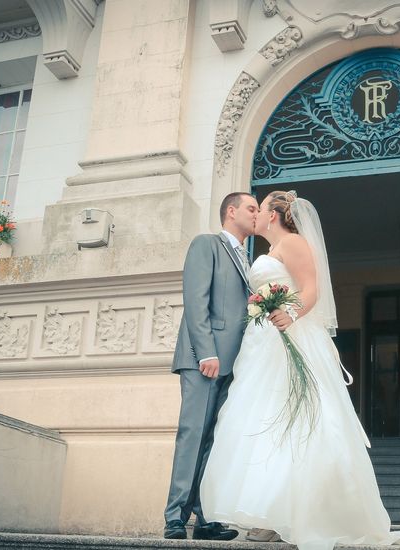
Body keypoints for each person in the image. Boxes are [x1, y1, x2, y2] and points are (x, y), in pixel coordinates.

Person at [199, 191, 400, 550]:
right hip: (262, 344)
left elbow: (311, 291)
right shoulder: (268, 252)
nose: (256, 215)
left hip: (289, 337)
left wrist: (290, 313)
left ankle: (302, 512)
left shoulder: (293, 243)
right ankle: (270, 511)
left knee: (300, 422)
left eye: (260, 208)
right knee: (265, 420)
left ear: (275, 215)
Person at [163, 192, 259, 540]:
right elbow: (195, 299)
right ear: (230, 212)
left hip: (232, 365)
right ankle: (175, 516)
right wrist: (206, 352)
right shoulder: (207, 245)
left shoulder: (247, 260)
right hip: (204, 359)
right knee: (193, 435)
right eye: (251, 208)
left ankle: (205, 518)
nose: (256, 213)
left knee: (214, 442)